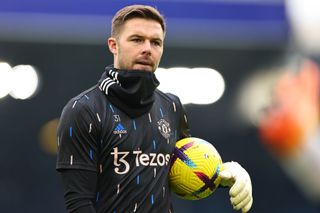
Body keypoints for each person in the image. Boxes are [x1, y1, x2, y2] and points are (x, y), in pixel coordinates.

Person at [56, 4, 253, 213]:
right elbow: (78, 204)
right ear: (114, 45)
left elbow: (184, 168)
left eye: (156, 42)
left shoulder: (172, 107)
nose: (147, 48)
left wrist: (224, 172)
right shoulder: (83, 110)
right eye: (137, 39)